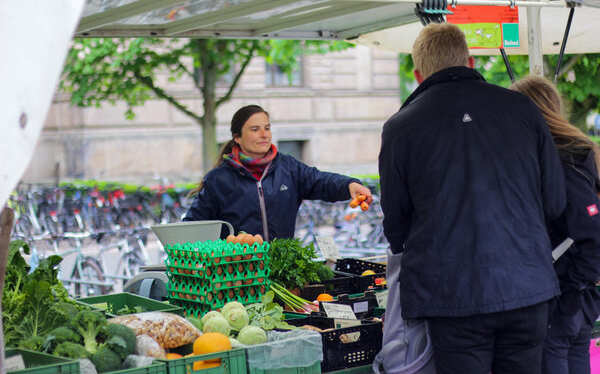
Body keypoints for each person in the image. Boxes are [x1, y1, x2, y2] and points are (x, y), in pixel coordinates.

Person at [378, 23, 566, 374]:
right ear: (471, 60)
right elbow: (555, 202)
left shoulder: (401, 127)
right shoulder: (523, 110)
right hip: (528, 289)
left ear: (418, 74)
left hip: (451, 297)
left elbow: (396, 226)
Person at [510, 75, 600, 374]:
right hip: (576, 289)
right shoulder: (578, 151)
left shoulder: (561, 158)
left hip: (564, 289)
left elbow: (589, 231)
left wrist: (572, 289)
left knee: (557, 353)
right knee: (574, 351)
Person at [184, 104, 372, 241]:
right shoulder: (218, 180)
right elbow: (193, 228)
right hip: (238, 275)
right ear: (238, 138)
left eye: (267, 128)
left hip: (281, 270)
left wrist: (350, 185)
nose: (264, 134)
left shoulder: (288, 168)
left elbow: (320, 181)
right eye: (255, 129)